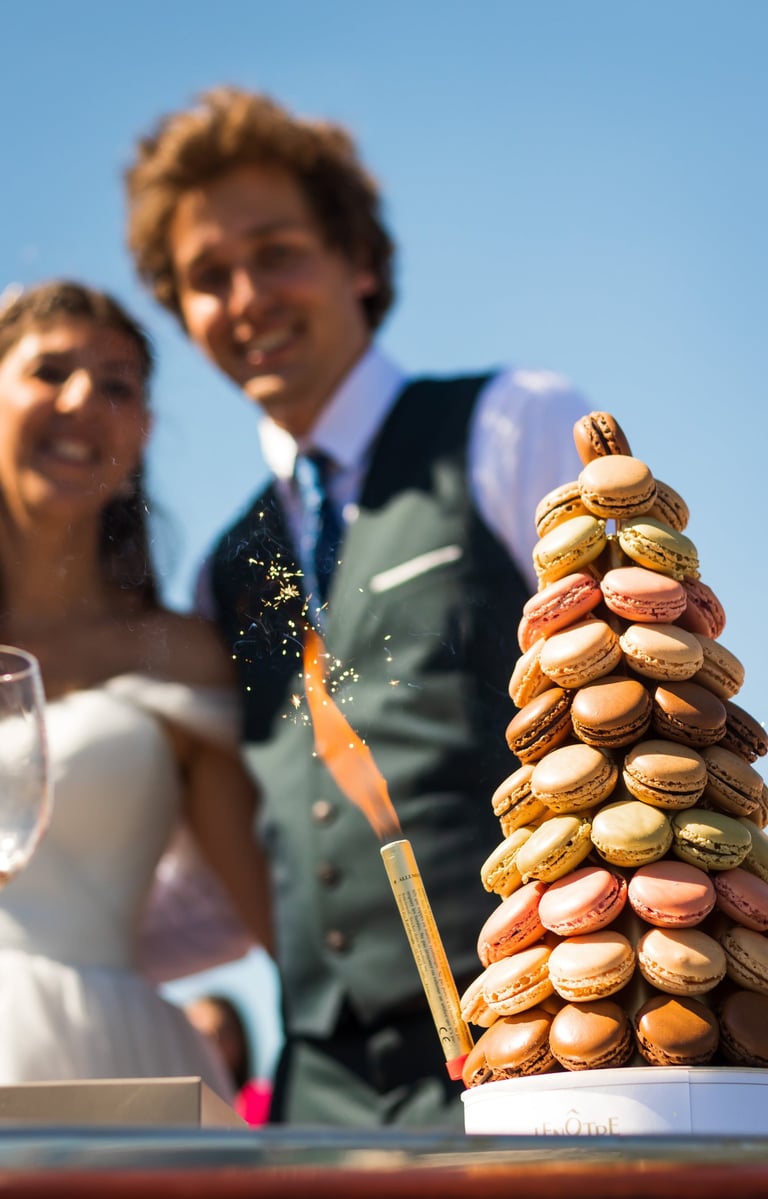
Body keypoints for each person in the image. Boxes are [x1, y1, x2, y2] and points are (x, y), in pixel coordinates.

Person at [125, 87, 590, 1127]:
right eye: (206, 278)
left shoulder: (512, 425)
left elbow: (650, 704)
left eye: (277, 251)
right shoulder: (222, 571)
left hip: (544, 1058)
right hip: (318, 1100)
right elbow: (253, 859)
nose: (245, 296)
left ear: (360, 261)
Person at [0, 279, 273, 1096]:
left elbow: (280, 915)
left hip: (105, 1060)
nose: (83, 398)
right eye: (49, 371)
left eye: (117, 385)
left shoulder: (183, 656)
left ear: (142, 433)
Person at [184, 993, 273, 1125]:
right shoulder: (175, 1106)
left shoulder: (259, 1100)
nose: (208, 1047)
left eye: (216, 1035)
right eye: (196, 1036)